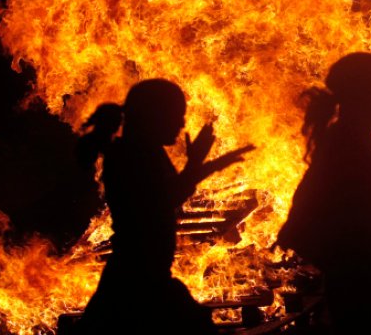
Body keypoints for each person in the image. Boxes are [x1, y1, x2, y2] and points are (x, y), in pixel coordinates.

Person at [75, 79, 253, 334]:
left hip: (144, 277)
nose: (181, 124)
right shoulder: (130, 155)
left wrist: (204, 166)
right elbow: (160, 202)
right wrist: (196, 165)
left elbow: (167, 197)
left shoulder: (148, 152)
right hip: (137, 281)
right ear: (154, 116)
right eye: (176, 116)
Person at [277, 53, 371, 332]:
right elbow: (343, 210)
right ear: (365, 95)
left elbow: (353, 202)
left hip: (359, 268)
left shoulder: (349, 138)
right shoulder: (346, 144)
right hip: (356, 272)